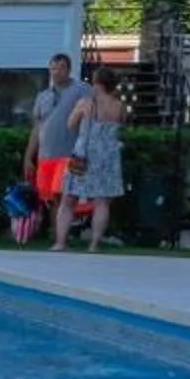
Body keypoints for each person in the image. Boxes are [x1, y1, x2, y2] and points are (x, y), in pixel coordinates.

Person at [25, 53, 90, 244]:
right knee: (52, 198)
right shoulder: (43, 96)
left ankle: (62, 238)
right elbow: (37, 128)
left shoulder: (81, 90)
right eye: (53, 68)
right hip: (46, 155)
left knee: (66, 196)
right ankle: (58, 237)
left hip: (70, 154)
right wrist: (29, 157)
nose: (56, 72)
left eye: (61, 68)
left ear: (69, 70)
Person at [64, 71, 129, 251]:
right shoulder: (119, 106)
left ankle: (60, 241)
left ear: (96, 83)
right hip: (108, 155)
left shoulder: (86, 103)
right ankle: (94, 243)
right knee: (102, 201)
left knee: (69, 196)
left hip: (82, 154)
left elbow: (70, 125)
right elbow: (122, 126)